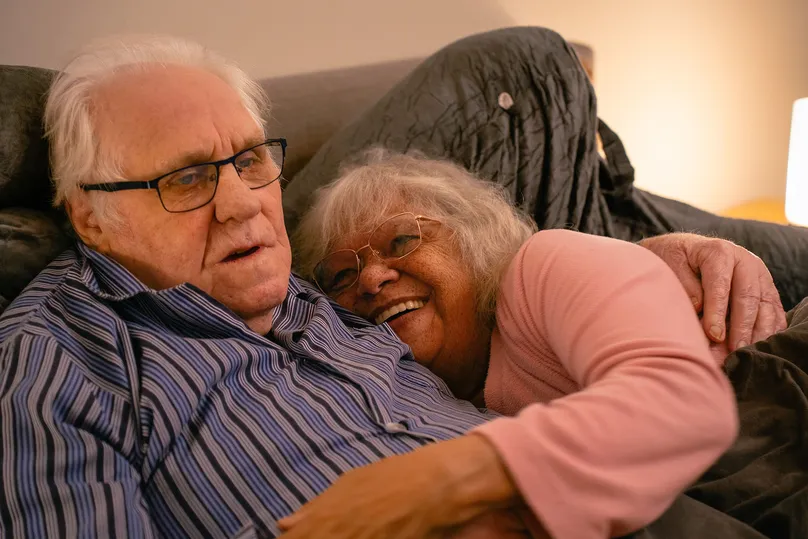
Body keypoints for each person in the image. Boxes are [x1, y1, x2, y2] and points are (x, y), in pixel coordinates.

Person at [0, 34, 783, 539]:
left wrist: (640, 258)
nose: (242, 201)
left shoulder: (320, 289)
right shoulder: (57, 355)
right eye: (186, 178)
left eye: (248, 161)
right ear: (91, 217)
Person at [287, 151, 779, 538]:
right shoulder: (436, 398)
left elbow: (684, 404)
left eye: (400, 242)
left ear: (472, 239)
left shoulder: (542, 265)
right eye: (342, 275)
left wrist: (443, 480)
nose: (371, 279)